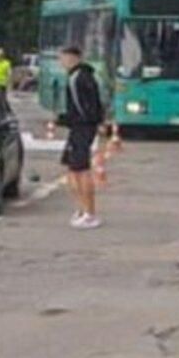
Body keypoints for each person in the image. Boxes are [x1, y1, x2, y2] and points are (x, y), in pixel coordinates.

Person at [56, 45, 114, 230]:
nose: (61, 62)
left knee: (82, 169)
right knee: (73, 168)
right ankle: (81, 210)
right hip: (79, 128)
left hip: (82, 128)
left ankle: (90, 213)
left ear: (73, 58)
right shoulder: (76, 77)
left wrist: (71, 120)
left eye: (63, 58)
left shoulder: (80, 78)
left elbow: (88, 106)